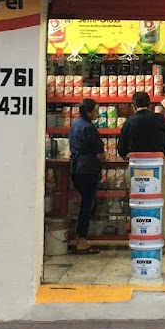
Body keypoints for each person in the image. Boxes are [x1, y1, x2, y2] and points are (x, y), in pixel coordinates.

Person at [68, 98, 105, 255]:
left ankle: (77, 238)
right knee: (87, 206)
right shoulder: (89, 128)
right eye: (95, 110)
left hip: (75, 167)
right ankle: (82, 241)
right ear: (89, 112)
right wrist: (103, 157)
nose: (97, 113)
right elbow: (100, 154)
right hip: (89, 169)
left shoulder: (75, 125)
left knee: (84, 205)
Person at [117, 91, 165, 160]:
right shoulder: (160, 118)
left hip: (136, 163)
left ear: (133, 107)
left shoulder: (128, 122)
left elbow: (121, 150)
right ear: (150, 106)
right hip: (157, 162)